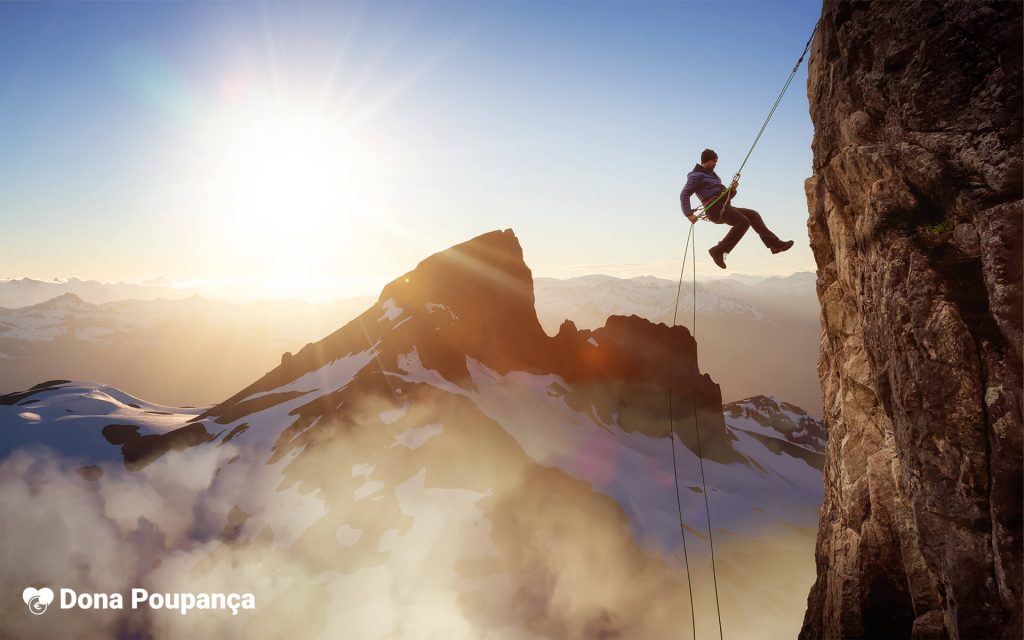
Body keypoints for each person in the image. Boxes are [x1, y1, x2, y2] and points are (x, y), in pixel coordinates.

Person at [679, 148, 794, 269]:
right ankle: (718, 250)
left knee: (753, 215)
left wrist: (732, 190)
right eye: (714, 161)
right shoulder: (696, 176)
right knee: (743, 222)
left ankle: (774, 244)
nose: (715, 164)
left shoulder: (713, 176)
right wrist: (688, 214)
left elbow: (726, 197)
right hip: (714, 209)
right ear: (706, 161)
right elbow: (684, 194)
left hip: (723, 206)